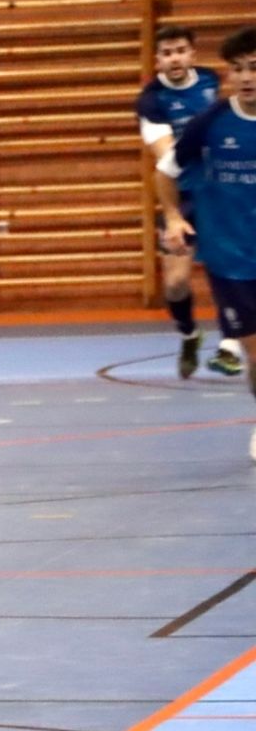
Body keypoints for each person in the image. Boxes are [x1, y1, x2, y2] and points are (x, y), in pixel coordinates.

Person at [159, 26, 256, 462]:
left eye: (254, 68)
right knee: (255, 352)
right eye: (238, 69)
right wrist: (175, 217)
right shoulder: (211, 123)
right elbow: (165, 171)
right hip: (231, 259)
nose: (246, 77)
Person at [138, 26, 244, 378]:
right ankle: (189, 333)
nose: (175, 58)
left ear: (192, 55)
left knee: (232, 266)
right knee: (176, 283)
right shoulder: (151, 100)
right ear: (158, 61)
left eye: (180, 51)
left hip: (219, 194)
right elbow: (165, 154)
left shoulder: (212, 82)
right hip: (182, 197)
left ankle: (230, 345)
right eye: (167, 53)